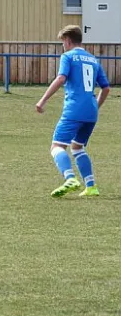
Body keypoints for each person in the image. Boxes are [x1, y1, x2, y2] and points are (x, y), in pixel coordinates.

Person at [36, 25, 109, 198]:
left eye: (63, 42)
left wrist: (43, 100)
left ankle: (70, 178)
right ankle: (91, 186)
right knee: (77, 147)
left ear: (67, 41)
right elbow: (106, 88)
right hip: (91, 112)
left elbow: (61, 78)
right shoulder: (93, 59)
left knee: (56, 146)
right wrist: (95, 107)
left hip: (74, 109)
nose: (63, 46)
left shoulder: (67, 56)